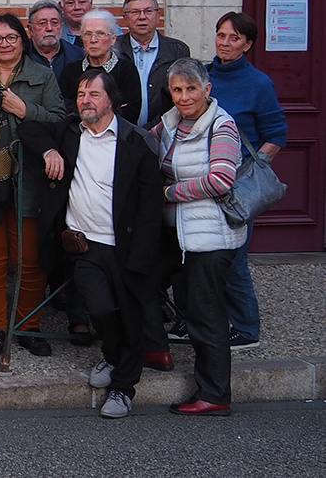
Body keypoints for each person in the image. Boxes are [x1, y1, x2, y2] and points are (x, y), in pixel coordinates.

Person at [19, 69, 164, 418]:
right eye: (82, 93)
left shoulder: (135, 141)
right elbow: (27, 128)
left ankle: (123, 388)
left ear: (111, 100)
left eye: (94, 94)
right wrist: (51, 150)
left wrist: (142, 256)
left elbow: (149, 207)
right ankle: (113, 357)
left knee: (129, 316)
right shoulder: (70, 131)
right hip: (83, 245)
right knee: (99, 309)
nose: (85, 100)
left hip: (125, 247)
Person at [0, 13, 66, 359]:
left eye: (11, 38)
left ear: (23, 40)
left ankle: (28, 326)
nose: (4, 44)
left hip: (28, 179)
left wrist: (25, 110)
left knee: (29, 259)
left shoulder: (41, 75)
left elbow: (61, 121)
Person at [151, 58, 245, 417]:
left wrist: (168, 193)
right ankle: (156, 349)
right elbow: (143, 143)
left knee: (207, 315)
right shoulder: (171, 123)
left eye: (191, 89)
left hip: (210, 237)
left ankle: (215, 393)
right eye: (177, 89)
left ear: (207, 89)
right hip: (180, 234)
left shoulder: (221, 126)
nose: (184, 96)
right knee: (172, 299)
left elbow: (221, 180)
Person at [205, 11, 286, 350]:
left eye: (234, 38)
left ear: (248, 44)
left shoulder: (258, 83)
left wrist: (249, 172)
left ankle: (246, 328)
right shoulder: (203, 75)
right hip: (202, 180)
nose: (225, 43)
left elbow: (277, 134)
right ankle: (205, 320)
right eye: (222, 35)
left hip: (236, 186)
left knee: (234, 258)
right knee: (202, 258)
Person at [116, 0, 191, 127]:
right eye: (135, 12)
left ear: (158, 16)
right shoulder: (114, 48)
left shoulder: (177, 50)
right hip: (121, 132)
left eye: (148, 11)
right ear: (125, 18)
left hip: (165, 130)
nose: (142, 17)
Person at [59, 10, 142, 124]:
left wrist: (87, 112)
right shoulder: (70, 71)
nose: (93, 40)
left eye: (100, 34)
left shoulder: (126, 70)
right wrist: (109, 109)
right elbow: (64, 109)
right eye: (88, 34)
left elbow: (130, 112)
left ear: (113, 39)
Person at [26, 0, 83, 81]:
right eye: (42, 23)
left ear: (61, 26)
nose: (49, 28)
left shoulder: (77, 56)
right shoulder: (21, 56)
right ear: (30, 29)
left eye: (54, 22)